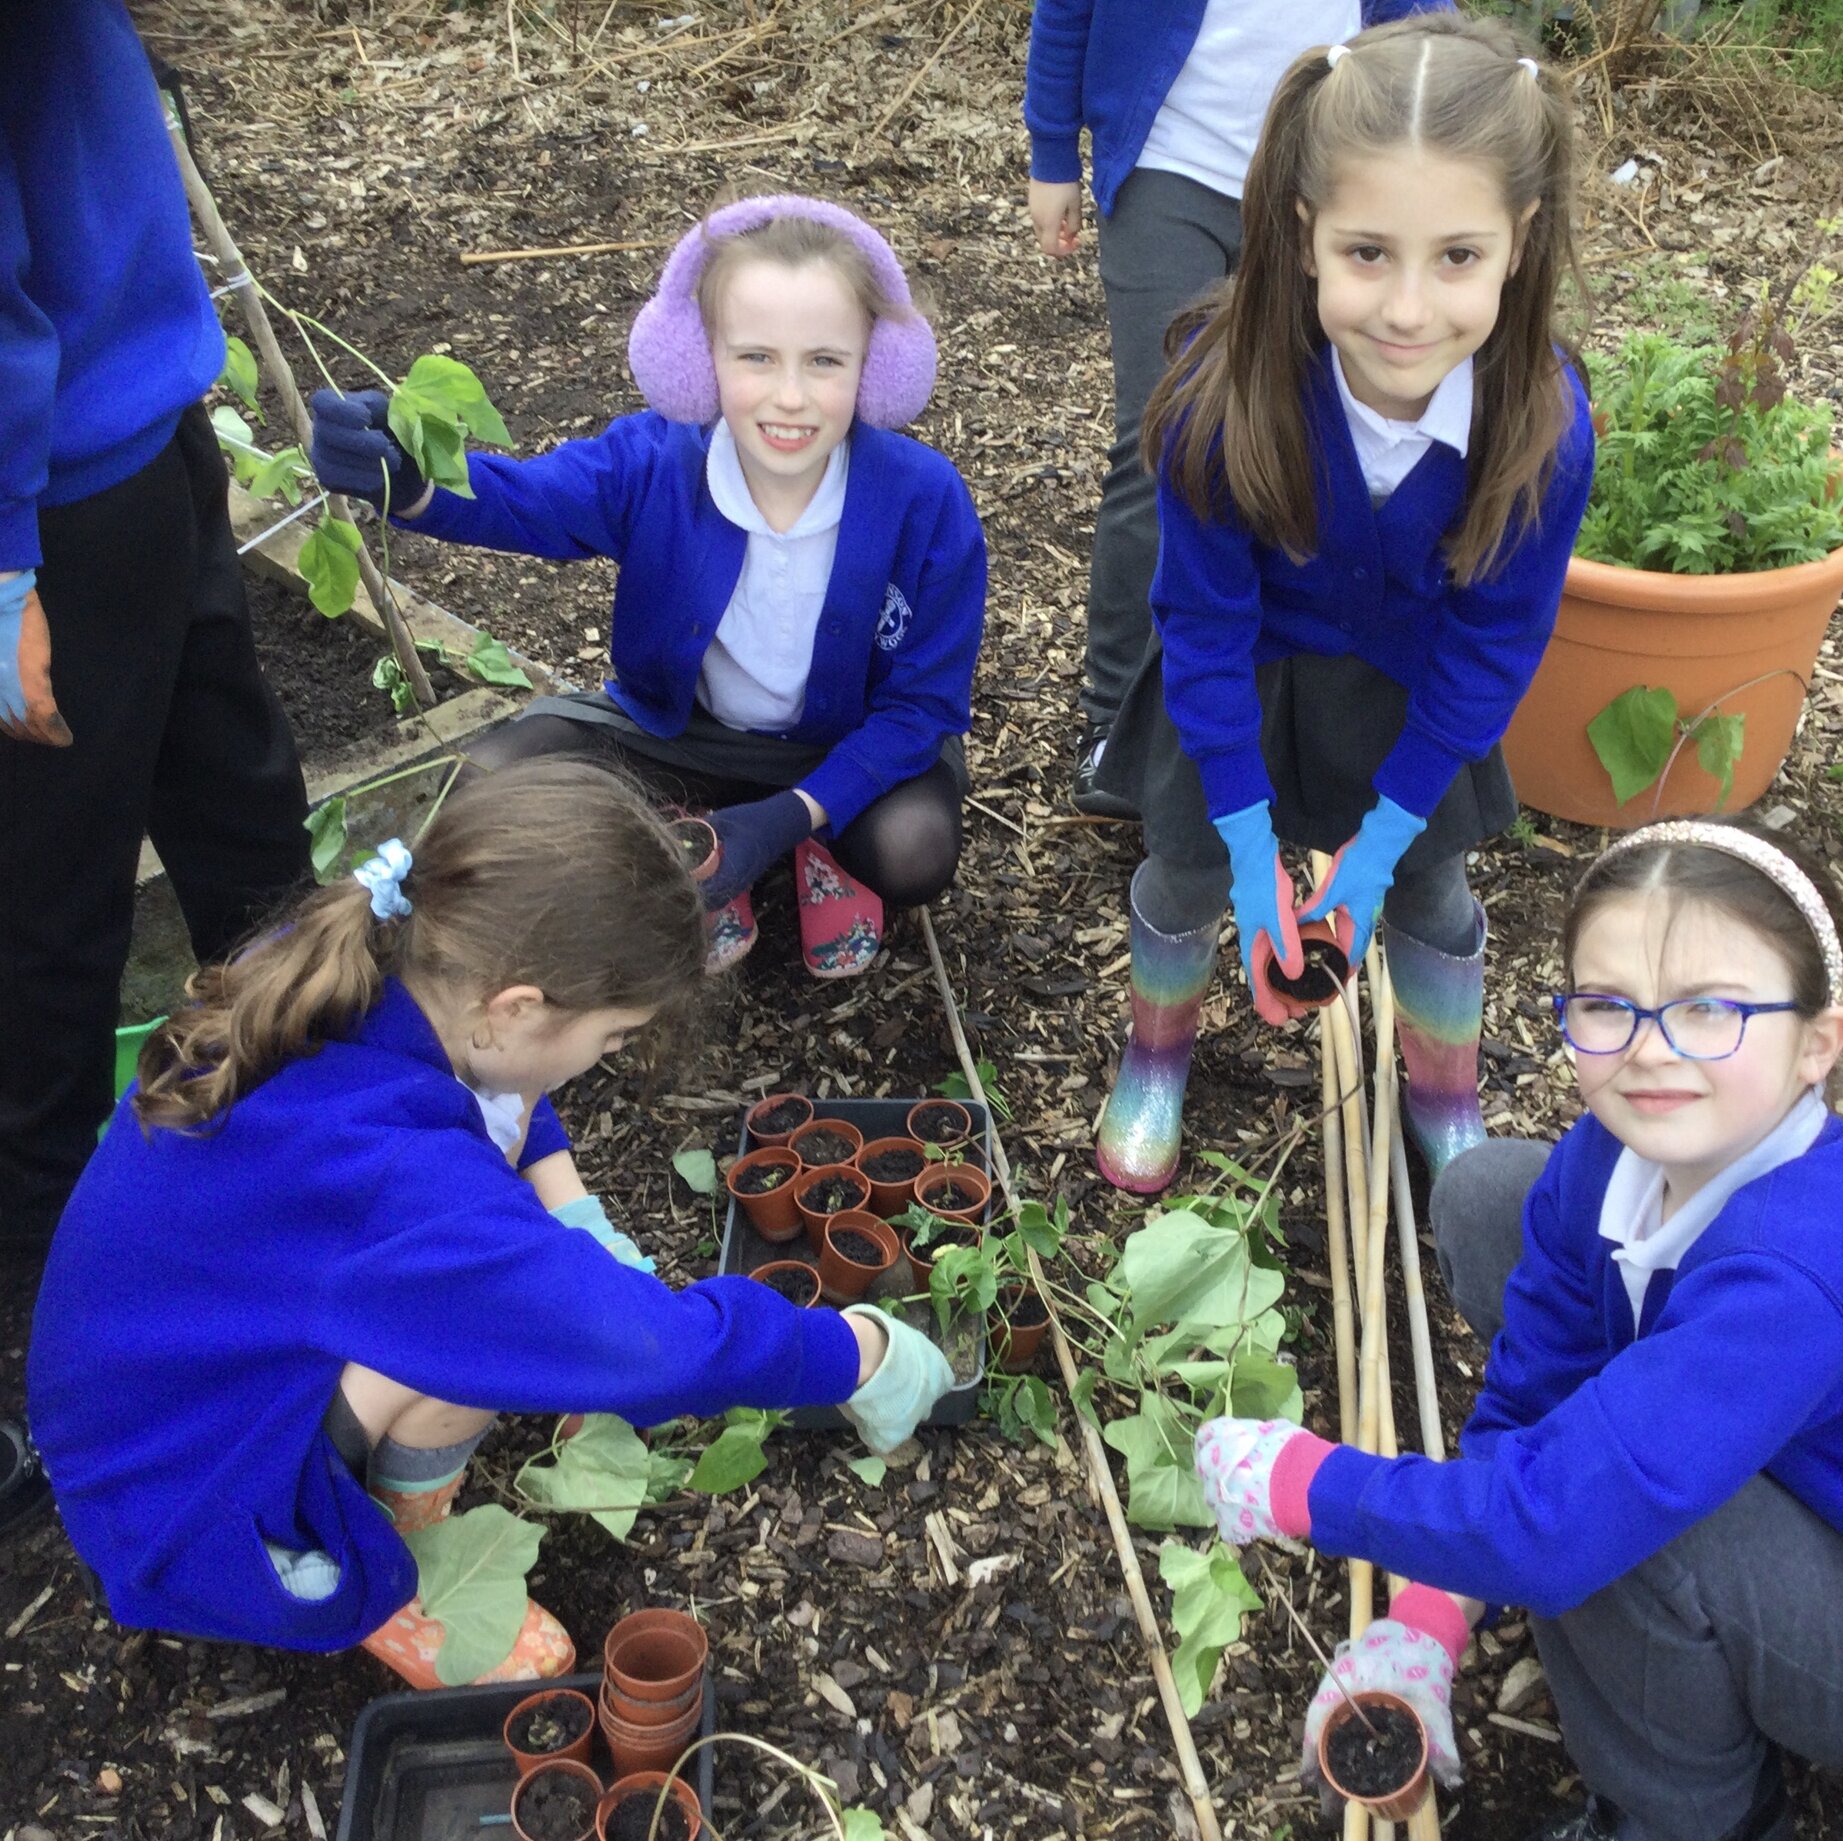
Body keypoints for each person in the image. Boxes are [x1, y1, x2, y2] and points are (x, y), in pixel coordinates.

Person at [1193, 819, 1843, 1841]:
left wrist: (1308, 1484)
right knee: (1487, 1195)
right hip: (1777, 1468)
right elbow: (1534, 1395)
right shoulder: (1614, 1150)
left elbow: (1559, 1522)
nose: (1648, 1050)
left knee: (1621, 1534)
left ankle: (1688, 1813)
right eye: (1606, 1005)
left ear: (1817, 1043)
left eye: (1709, 1009)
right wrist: (1433, 1605)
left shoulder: (1800, 1266)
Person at [27, 759, 957, 1689]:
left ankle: (367, 1477)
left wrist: (572, 1208)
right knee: (479, 1337)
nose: (603, 1061)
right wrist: (852, 1352)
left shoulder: (381, 950)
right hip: (184, 1509)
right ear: (517, 1006)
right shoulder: (397, 1187)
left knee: (488, 1302)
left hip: (152, 1402)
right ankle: (389, 1571)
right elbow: (649, 1352)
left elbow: (502, 1080)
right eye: (612, 1040)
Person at [1091, 15, 1595, 1195]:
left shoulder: (1541, 426)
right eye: (1367, 253)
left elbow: (1491, 645)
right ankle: (1154, 1053)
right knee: (1180, 868)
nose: (1408, 309)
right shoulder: (1215, 400)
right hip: (1248, 681)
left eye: (1456, 257)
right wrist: (1250, 840)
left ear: (1519, 244)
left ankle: (1442, 1093)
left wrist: (1366, 855)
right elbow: (1202, 628)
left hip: (1412, 696)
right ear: (1305, 232)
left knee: (1428, 885)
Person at [308, 195, 986, 982]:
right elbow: (526, 502)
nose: (790, 396)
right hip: (682, 733)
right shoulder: (654, 464)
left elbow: (920, 708)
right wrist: (409, 479)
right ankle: (689, 835)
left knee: (915, 851)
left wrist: (780, 818)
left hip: (850, 739)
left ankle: (814, 835)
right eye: (755, 357)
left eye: (826, 361)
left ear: (876, 367)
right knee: (495, 781)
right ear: (699, 360)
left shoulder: (926, 500)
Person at [0, 2, 310, 1261]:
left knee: (51, 901)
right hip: (126, 415)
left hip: (80, 467)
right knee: (232, 806)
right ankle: (298, 1132)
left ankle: (39, 1258)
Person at [1024, 0, 1449, 819]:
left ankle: (1271, 718)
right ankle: (1115, 720)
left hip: (1327, 191)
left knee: (1306, 442)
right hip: (1166, 166)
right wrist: (1053, 153)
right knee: (1163, 449)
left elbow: (1424, 31)